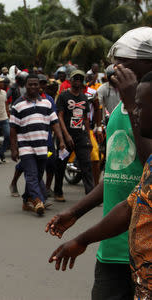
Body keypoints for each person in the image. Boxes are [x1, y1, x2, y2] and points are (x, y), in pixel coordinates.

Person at [45, 27, 152, 300]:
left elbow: (147, 161)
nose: (116, 69)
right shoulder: (119, 110)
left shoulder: (136, 106)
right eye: (115, 63)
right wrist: (75, 212)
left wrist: (131, 101)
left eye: (125, 62)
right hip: (113, 248)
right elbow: (117, 176)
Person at [10, 74, 65, 215]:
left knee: (38, 174)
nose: (33, 87)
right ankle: (39, 200)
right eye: (30, 84)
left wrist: (62, 140)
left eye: (36, 84)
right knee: (32, 175)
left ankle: (26, 201)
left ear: (39, 86)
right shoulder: (17, 104)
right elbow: (13, 129)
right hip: (26, 146)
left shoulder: (46, 103)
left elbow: (55, 123)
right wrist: (14, 149)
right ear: (25, 86)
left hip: (42, 146)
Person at [54, 70, 94, 202]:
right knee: (61, 164)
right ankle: (58, 192)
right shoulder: (63, 96)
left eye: (80, 78)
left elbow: (86, 119)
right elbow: (59, 116)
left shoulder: (84, 97)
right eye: (75, 78)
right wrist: (66, 136)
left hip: (80, 136)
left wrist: (88, 137)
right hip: (65, 137)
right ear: (70, 81)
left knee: (86, 164)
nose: (77, 80)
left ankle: (90, 194)